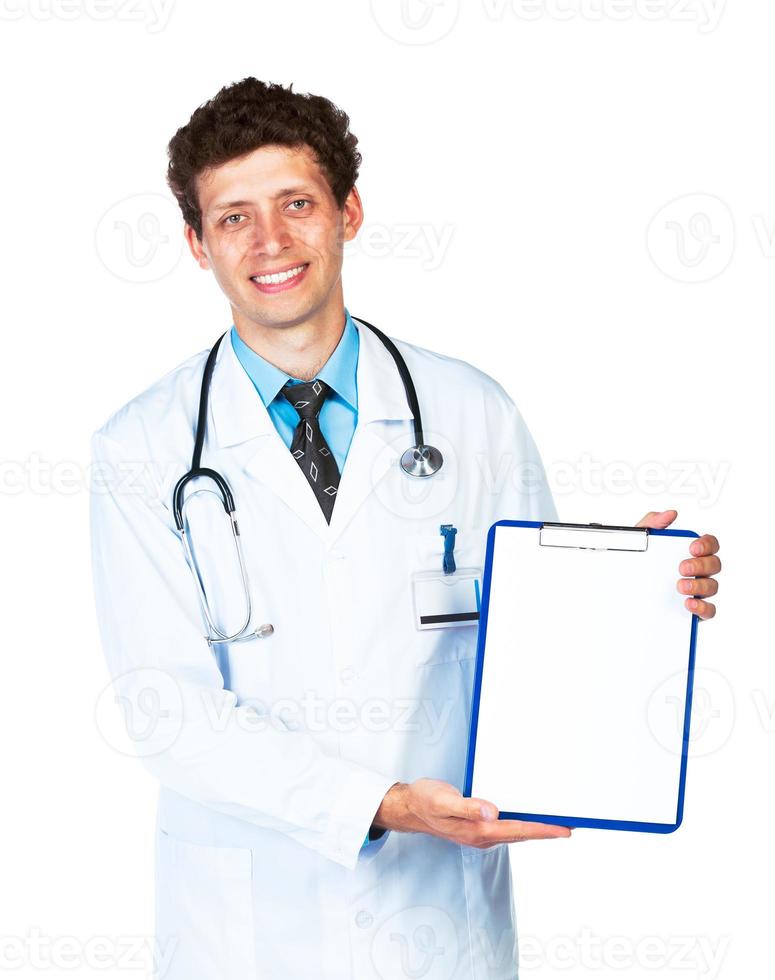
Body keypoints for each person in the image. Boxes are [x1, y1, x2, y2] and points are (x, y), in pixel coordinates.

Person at [89, 77, 722, 980]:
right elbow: (167, 714)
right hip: (244, 931)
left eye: (296, 203)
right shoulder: (140, 448)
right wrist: (383, 805)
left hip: (441, 927)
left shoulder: (473, 414)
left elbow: (537, 652)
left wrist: (634, 596)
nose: (269, 242)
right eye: (233, 217)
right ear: (196, 244)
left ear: (348, 211)